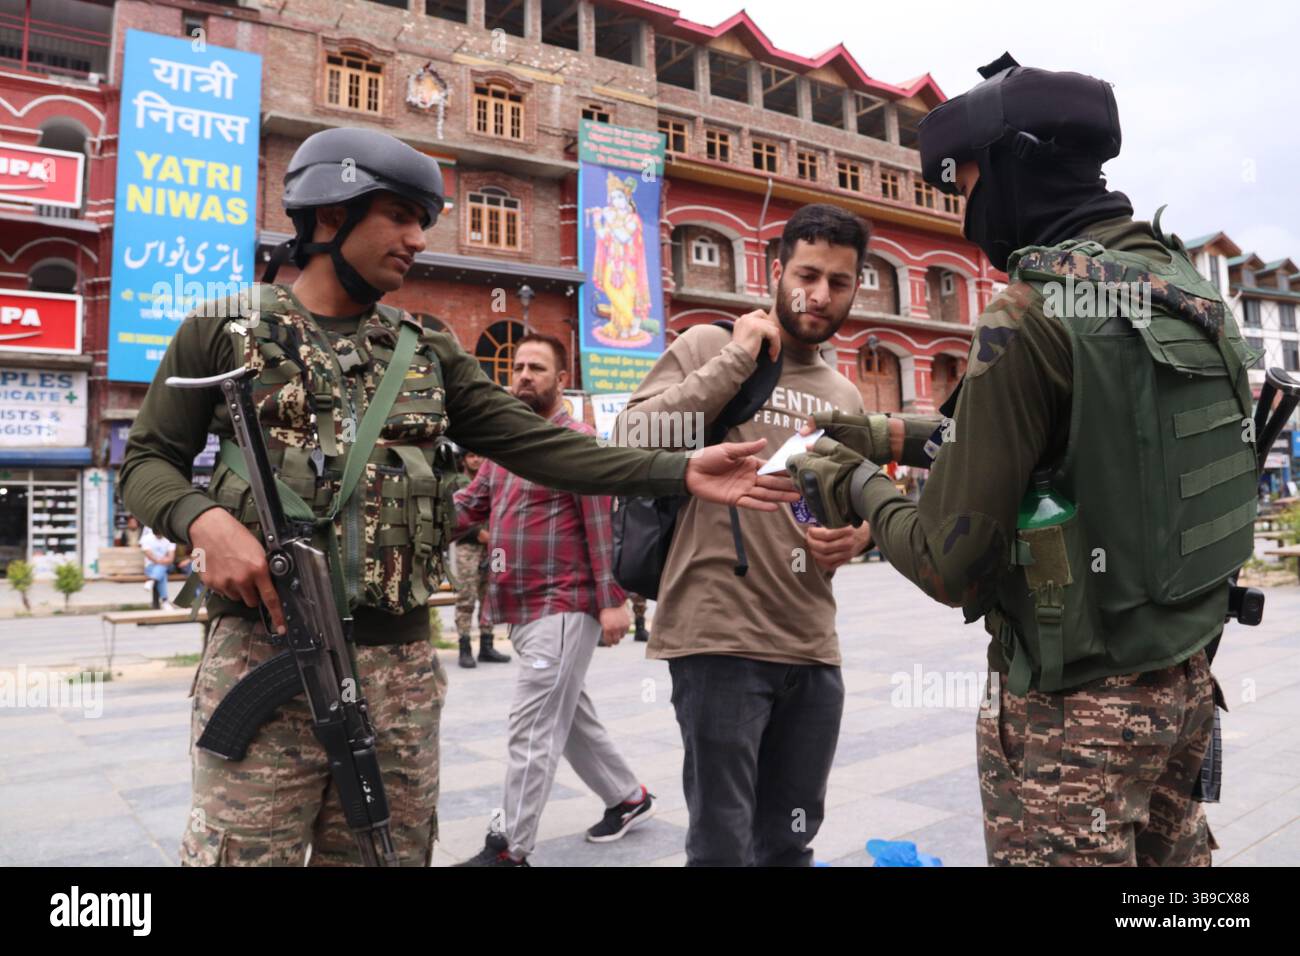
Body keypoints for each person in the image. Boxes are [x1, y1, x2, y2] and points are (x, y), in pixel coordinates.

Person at [119, 127, 796, 868]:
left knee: (390, 856)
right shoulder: (225, 325)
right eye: (399, 216)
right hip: (258, 652)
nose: (416, 239)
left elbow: (545, 446)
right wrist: (204, 520)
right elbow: (148, 460)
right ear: (327, 213)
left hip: (397, 671)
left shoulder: (428, 348)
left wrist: (677, 471)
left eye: (422, 221)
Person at [787, 55, 1258, 866]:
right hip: (1184, 689)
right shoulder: (1182, 287)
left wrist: (852, 482)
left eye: (966, 183)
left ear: (1010, 172)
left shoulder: (1028, 314)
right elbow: (1075, 445)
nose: (966, 209)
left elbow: (949, 564)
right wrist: (885, 437)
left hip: (1074, 723)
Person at [617, 204, 873, 866]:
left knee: (789, 840)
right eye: (807, 275)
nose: (819, 296)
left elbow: (856, 501)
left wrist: (860, 537)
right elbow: (632, 438)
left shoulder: (845, 395)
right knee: (722, 845)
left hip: (812, 644)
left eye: (839, 283)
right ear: (777, 270)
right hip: (718, 638)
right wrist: (736, 358)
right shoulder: (709, 345)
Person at [455, 333, 654, 866]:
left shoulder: (577, 440)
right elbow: (468, 507)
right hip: (519, 608)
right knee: (566, 716)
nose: (522, 375)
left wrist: (612, 601)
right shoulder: (504, 447)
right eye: (517, 366)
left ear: (560, 379)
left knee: (533, 724)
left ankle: (510, 850)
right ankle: (628, 797)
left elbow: (598, 524)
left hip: (562, 605)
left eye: (537, 368)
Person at [447, 449, 501, 669]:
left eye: (480, 455)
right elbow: (455, 514)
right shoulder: (458, 482)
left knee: (490, 596)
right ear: (464, 460)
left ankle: (487, 645)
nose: (476, 459)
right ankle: (464, 647)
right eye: (471, 456)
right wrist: (480, 533)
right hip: (468, 546)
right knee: (466, 597)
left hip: (493, 547)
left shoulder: (491, 479)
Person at [138, 526, 175, 610]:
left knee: (162, 568)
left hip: (167, 566)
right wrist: (162, 561)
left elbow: (171, 559)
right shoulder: (146, 538)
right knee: (162, 574)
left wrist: (162, 561)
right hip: (151, 567)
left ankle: (152, 580)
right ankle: (165, 601)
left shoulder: (169, 539)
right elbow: (150, 556)